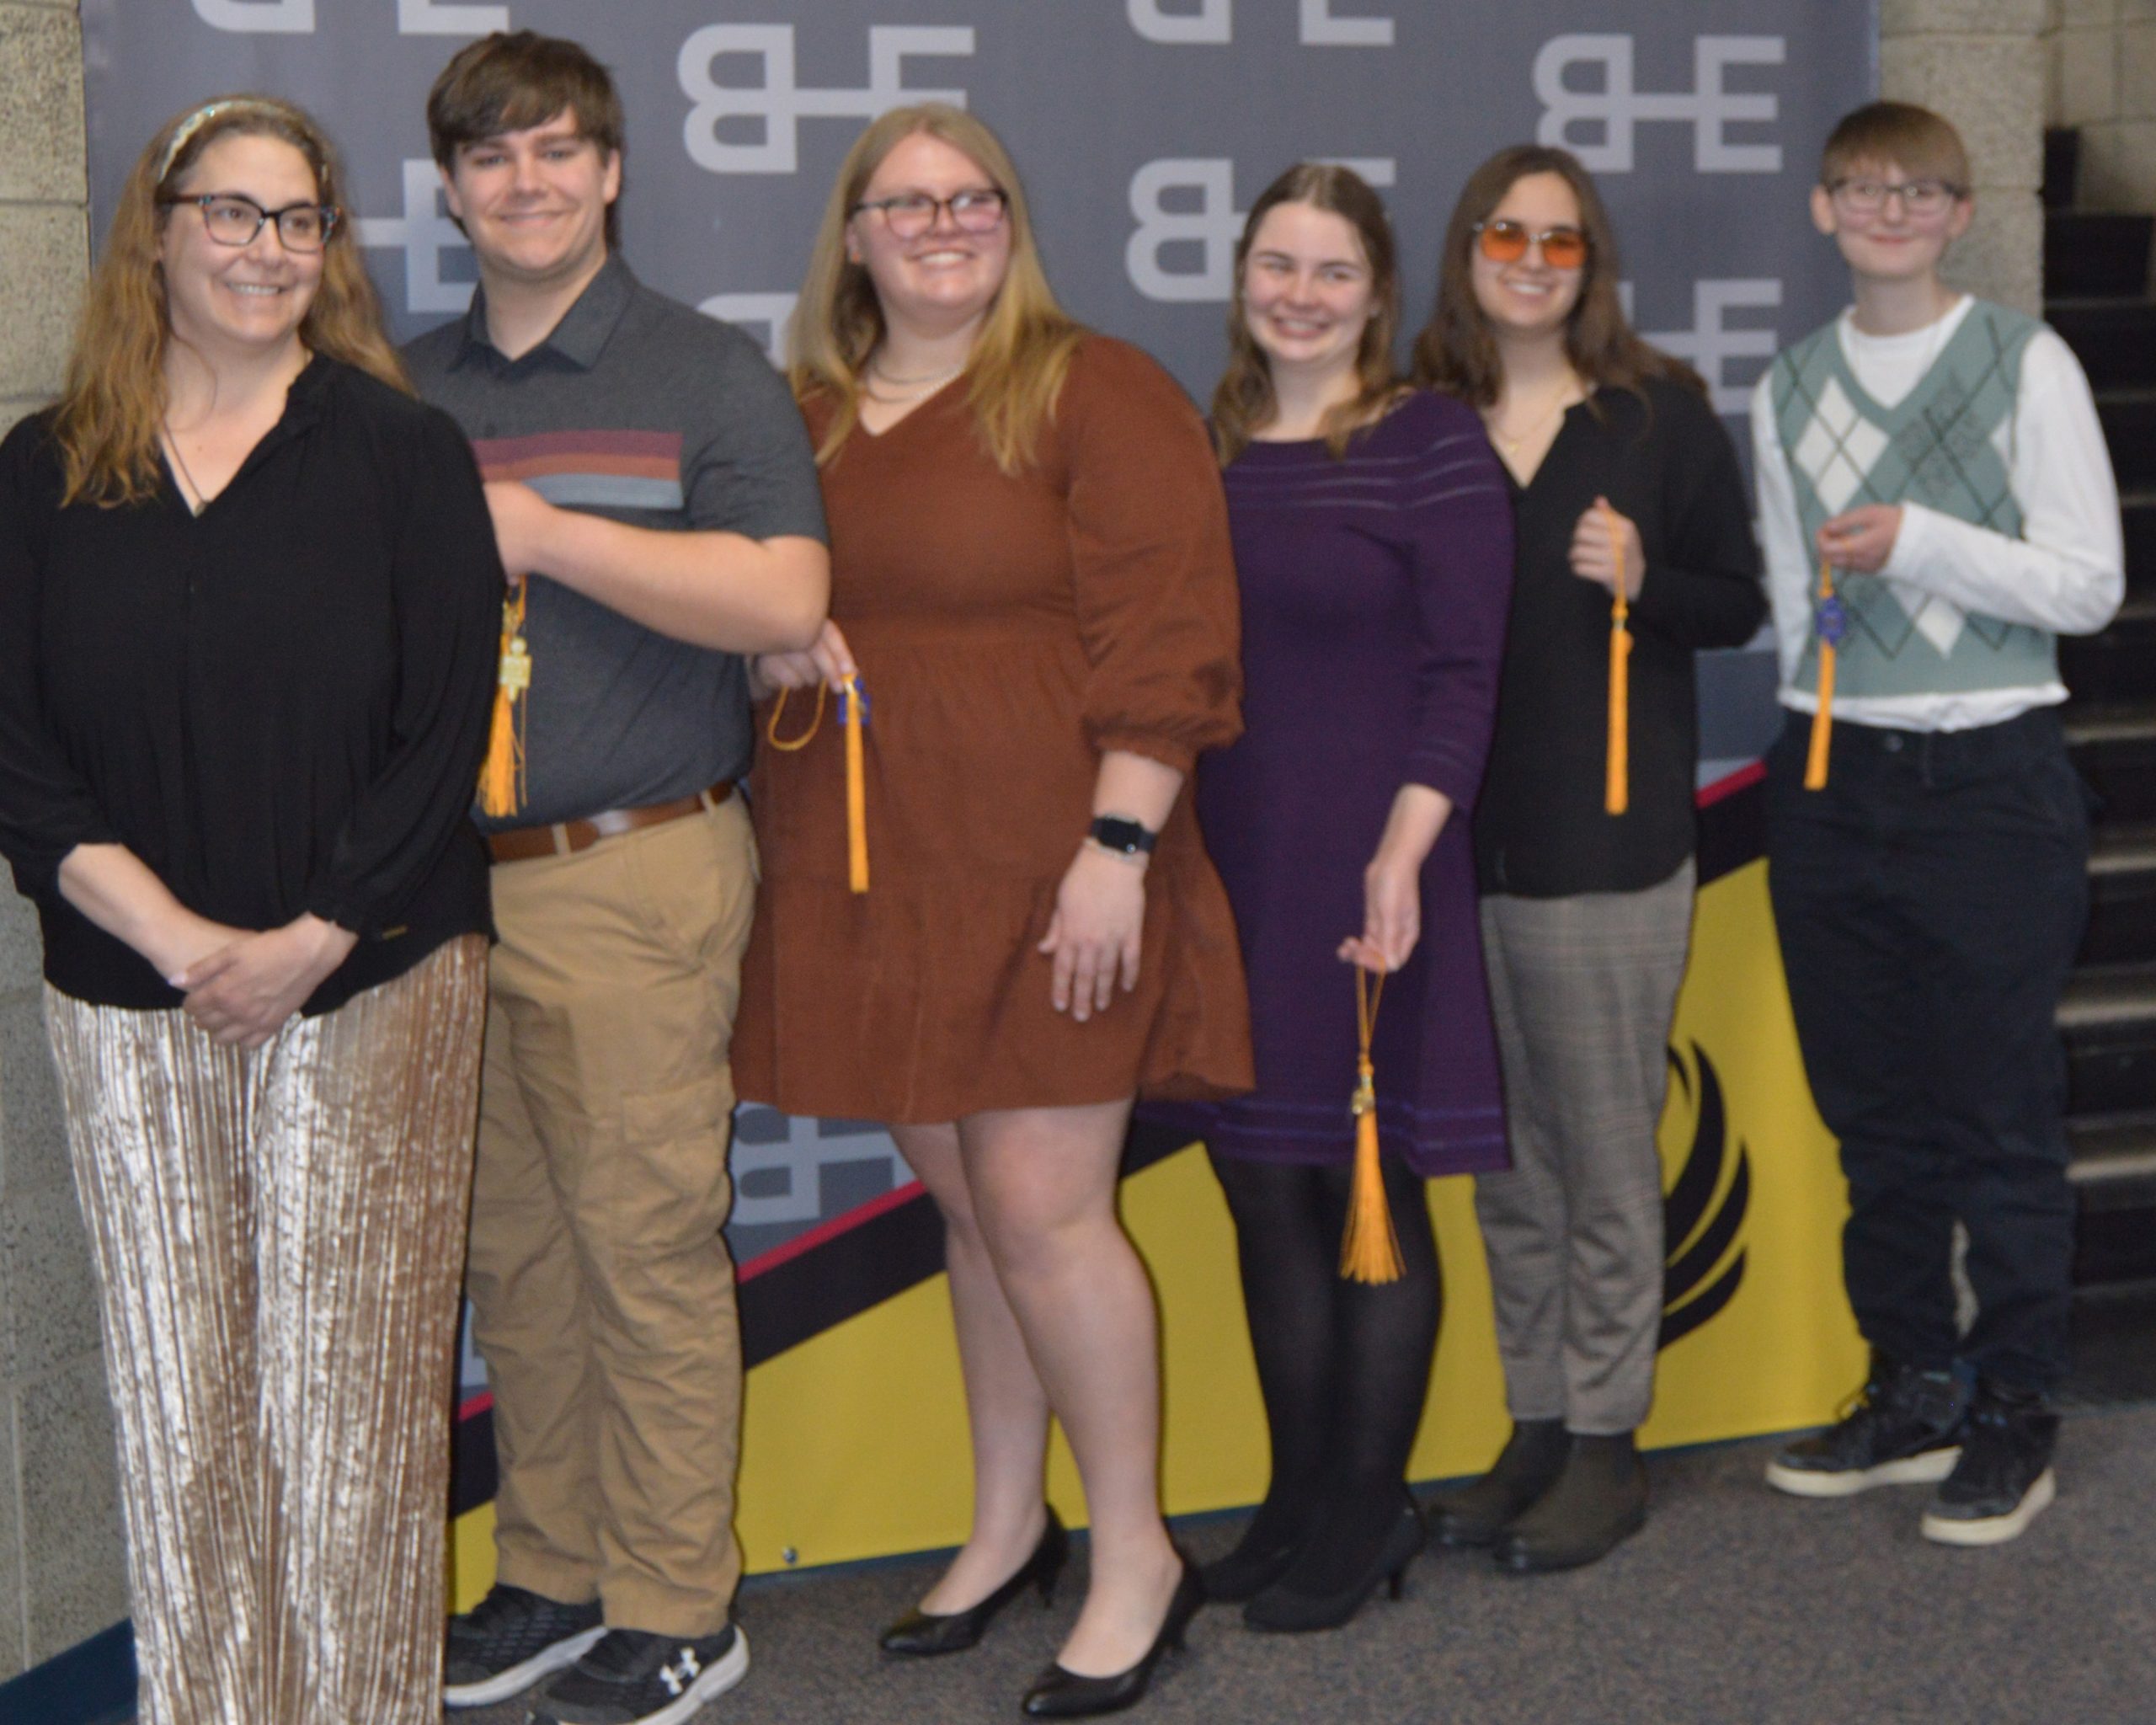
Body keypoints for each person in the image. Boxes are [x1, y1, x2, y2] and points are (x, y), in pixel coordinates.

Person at [733, 104, 1250, 1717]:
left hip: (1053, 864)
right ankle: (1009, 1525)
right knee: (973, 1215)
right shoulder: (803, 412)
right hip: (880, 872)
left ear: (1013, 220)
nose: (942, 224)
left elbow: (1174, 638)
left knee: (1043, 1213)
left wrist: (1118, 848)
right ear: (855, 235)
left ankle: (1138, 1559)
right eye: (905, 203)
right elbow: (761, 603)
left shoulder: (1098, 389)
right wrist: (767, 646)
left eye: (972, 199)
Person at [0, 96, 500, 1725]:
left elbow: (442, 735)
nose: (265, 251)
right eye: (231, 214)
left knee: (349, 1419)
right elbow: (15, 744)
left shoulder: (403, 453)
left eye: (298, 222)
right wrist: (175, 942)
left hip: (374, 984)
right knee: (181, 1415)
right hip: (128, 995)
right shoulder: (41, 469)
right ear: (156, 227)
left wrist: (306, 940)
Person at [403, 32, 830, 1725]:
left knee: (641, 1247)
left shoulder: (702, 369)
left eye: (559, 151)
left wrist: (553, 535)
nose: (527, 184)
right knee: (514, 1254)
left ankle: (674, 1603)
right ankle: (553, 1571)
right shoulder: (403, 386)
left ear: (613, 170)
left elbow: (786, 602)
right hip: (448, 884)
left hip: (632, 866)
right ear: (449, 188)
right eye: (493, 159)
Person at [1143, 163, 1512, 1629]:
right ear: (1242, 279)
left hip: (1380, 868)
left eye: (1333, 273)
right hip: (1233, 869)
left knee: (1376, 1196)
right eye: (1276, 266)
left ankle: (1369, 1511)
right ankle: (1296, 1502)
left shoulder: (1429, 441)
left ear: (1379, 294)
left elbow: (1466, 673)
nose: (1300, 295)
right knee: (1260, 1191)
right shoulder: (1210, 442)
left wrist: (1406, 850)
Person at [1753, 102, 2121, 1546]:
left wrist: (1923, 544)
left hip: (1990, 781)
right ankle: (1912, 1381)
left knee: (2001, 1119)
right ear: (1822, 209)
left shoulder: (2027, 362)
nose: (1891, 209)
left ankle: (2014, 1405)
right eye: (1863, 187)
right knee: (1876, 1114)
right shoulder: (1785, 383)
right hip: (1836, 777)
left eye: (1921, 189)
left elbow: (2086, 587)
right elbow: (1796, 601)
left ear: (1961, 212)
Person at [1412, 145, 1766, 1571]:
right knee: (1509, 1169)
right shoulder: (1422, 418)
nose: (1534, 259)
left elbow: (1736, 602)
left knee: (1608, 1161)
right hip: (1450, 853)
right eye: (1507, 232)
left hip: (1603, 849)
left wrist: (1644, 584)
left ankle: (1611, 1443)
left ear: (1592, 262)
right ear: (1467, 249)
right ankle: (1540, 1424)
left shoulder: (1655, 418)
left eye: (1562, 240)